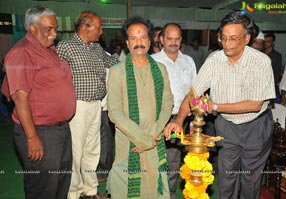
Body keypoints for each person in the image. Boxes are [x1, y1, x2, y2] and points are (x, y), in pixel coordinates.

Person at [165, 11, 275, 199]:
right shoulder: (214, 60)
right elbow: (194, 93)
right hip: (226, 129)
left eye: (233, 39)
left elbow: (256, 104)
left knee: (250, 183)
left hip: (256, 128)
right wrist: (179, 119)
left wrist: (215, 107)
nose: (227, 44)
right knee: (226, 181)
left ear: (247, 38)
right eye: (223, 38)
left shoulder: (260, 61)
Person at [2, 6, 76, 199]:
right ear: (32, 28)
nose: (54, 34)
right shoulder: (22, 53)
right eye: (48, 29)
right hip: (40, 131)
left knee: (61, 183)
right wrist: (31, 138)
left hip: (60, 129)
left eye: (55, 28)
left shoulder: (49, 50)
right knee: (43, 189)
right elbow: (19, 97)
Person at [106, 16, 173, 199]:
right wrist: (140, 138)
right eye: (134, 38)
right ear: (127, 42)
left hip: (154, 138)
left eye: (143, 37)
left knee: (153, 187)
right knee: (127, 186)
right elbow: (114, 112)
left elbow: (168, 102)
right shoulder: (117, 72)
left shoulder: (160, 69)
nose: (139, 42)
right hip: (129, 141)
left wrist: (152, 134)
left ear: (150, 41)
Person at [56, 11, 119, 199]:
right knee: (76, 151)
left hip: (96, 105)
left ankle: (89, 190)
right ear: (86, 27)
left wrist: (136, 62)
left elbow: (114, 63)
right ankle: (73, 193)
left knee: (92, 150)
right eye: (98, 28)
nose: (101, 32)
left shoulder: (96, 48)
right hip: (76, 106)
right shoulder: (65, 47)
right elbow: (54, 77)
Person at [151, 23, 196, 199]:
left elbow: (195, 91)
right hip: (163, 119)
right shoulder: (153, 61)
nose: (173, 42)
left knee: (182, 162)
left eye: (177, 38)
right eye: (169, 38)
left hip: (185, 118)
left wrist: (192, 121)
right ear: (161, 39)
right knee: (165, 161)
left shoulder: (189, 61)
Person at [264, 32, 282, 98]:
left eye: (268, 41)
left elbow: (277, 73)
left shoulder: (277, 56)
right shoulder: (260, 54)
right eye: (265, 41)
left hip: (272, 87)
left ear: (273, 43)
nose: (265, 43)